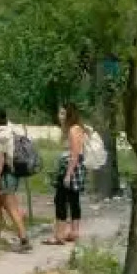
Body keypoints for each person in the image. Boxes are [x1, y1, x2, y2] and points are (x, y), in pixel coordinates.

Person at [0, 106, 31, 252]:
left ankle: (24, 240)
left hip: (4, 175)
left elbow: (0, 159)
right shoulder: (10, 130)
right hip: (11, 174)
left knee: (11, 208)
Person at [44, 103, 86, 245]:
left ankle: (59, 235)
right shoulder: (75, 129)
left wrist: (68, 174)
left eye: (62, 113)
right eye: (59, 113)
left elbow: (75, 154)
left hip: (70, 167)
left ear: (69, 114)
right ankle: (74, 232)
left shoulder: (73, 130)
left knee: (60, 200)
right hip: (73, 167)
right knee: (74, 199)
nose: (59, 116)